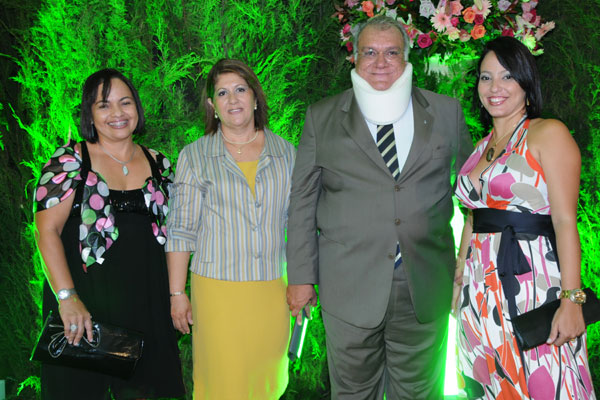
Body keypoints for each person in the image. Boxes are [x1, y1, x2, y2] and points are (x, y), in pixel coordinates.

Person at [286, 15, 473, 399]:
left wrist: (468, 268)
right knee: (353, 393)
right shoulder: (322, 117)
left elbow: (475, 194)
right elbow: (302, 201)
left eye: (391, 52)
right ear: (353, 57)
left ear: (407, 58)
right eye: (369, 52)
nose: (381, 62)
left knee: (420, 393)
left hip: (425, 284)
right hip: (348, 285)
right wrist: (301, 277)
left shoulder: (446, 112)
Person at [452, 36, 595, 399]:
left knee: (546, 376)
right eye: (486, 78)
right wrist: (458, 283)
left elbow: (565, 221)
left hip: (531, 284)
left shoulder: (547, 133)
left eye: (507, 77)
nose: (494, 87)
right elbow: (473, 219)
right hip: (479, 290)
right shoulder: (481, 147)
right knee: (490, 381)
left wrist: (572, 300)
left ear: (526, 84)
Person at [34, 68, 185, 399]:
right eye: (104, 105)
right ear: (90, 113)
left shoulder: (161, 165)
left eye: (125, 102)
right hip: (85, 313)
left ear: (137, 108)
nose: (117, 113)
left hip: (148, 311)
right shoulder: (69, 162)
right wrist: (67, 298)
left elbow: (176, 236)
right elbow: (46, 232)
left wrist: (177, 295)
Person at [166, 58, 295, 400]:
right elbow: (180, 229)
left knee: (266, 382)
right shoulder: (195, 156)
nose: (233, 99)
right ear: (212, 105)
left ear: (255, 97)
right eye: (223, 93)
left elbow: (298, 226)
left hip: (272, 290)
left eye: (240, 89)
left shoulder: (287, 153)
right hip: (217, 294)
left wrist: (302, 282)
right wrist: (177, 294)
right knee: (223, 383)